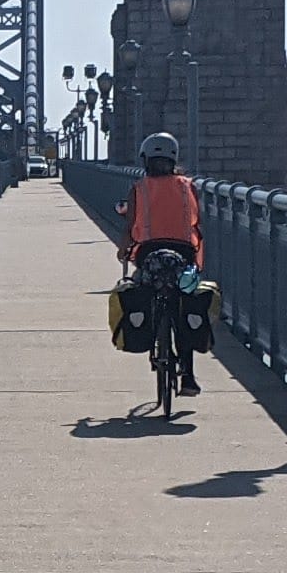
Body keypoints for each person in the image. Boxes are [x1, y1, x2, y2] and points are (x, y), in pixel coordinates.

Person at [121, 132, 205, 394]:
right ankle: (188, 376)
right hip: (184, 255)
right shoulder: (188, 186)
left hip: (149, 254)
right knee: (183, 307)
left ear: (146, 159)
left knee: (143, 293)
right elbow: (195, 221)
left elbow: (130, 227)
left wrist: (124, 250)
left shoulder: (139, 188)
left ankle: (147, 333)